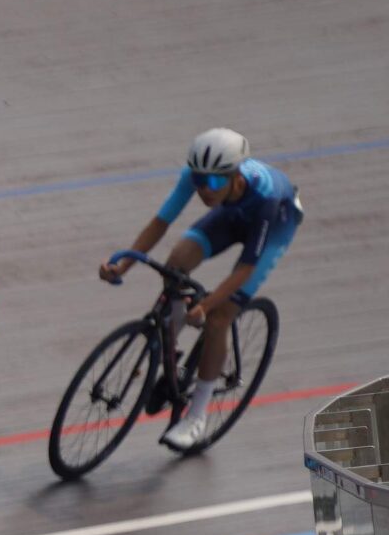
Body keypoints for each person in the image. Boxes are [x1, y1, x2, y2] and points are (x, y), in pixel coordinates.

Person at [100, 127, 302, 450]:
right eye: (199, 180)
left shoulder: (266, 198)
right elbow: (160, 222)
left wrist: (206, 307)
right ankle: (170, 350)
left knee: (220, 318)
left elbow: (246, 267)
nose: (205, 190)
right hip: (233, 213)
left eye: (215, 182)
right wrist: (123, 265)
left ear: (235, 175)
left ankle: (196, 418)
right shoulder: (199, 178)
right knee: (176, 264)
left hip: (274, 224)